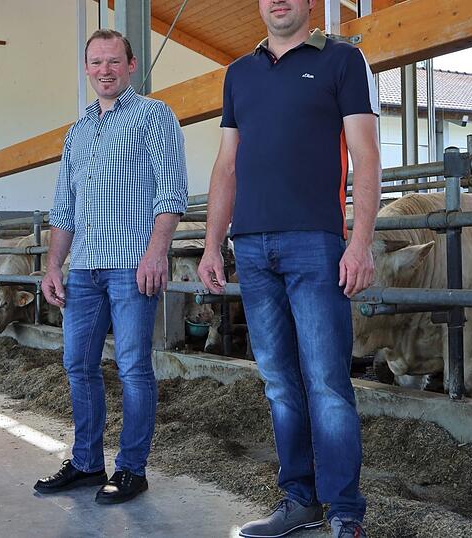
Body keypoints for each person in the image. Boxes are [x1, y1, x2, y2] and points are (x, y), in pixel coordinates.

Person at [197, 1, 381, 536]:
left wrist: (360, 243)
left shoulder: (342, 60)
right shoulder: (239, 73)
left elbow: (366, 155)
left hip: (315, 243)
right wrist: (212, 244)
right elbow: (227, 163)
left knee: (326, 382)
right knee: (278, 382)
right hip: (251, 247)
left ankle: (345, 511)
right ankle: (299, 501)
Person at [34, 29, 188, 505]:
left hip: (130, 266)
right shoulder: (78, 131)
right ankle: (86, 463)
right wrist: (54, 266)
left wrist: (157, 252)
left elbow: (172, 191)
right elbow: (64, 207)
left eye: (114, 61)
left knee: (133, 367)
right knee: (78, 364)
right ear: (86, 69)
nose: (105, 70)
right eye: (96, 62)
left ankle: (132, 469)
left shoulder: (153, 115)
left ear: (131, 65)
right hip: (83, 269)